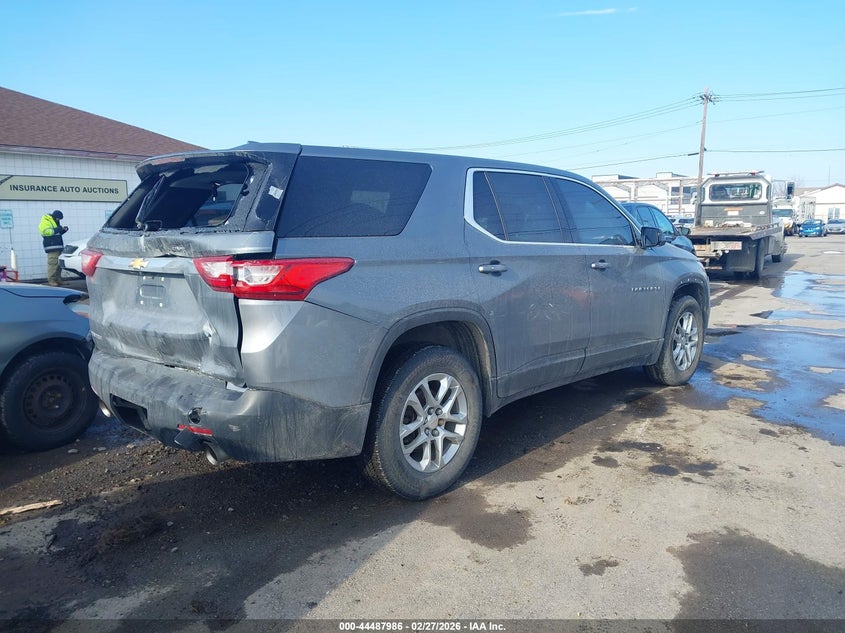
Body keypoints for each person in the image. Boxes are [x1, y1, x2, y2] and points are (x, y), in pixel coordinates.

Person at [39, 209, 69, 286]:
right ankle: (51, 280)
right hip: (51, 247)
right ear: (55, 217)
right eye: (58, 218)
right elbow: (46, 232)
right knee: (53, 264)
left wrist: (63, 230)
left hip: (58, 246)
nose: (59, 220)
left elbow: (56, 233)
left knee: (59, 265)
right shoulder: (45, 221)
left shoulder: (55, 222)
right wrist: (59, 229)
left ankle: (58, 279)